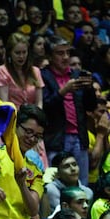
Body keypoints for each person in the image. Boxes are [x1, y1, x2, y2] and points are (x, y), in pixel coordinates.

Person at [41, 35, 97, 186]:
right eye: (60, 53)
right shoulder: (43, 76)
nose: (65, 57)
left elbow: (91, 107)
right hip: (57, 137)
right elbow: (44, 107)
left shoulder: (76, 75)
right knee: (56, 184)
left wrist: (90, 88)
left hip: (79, 136)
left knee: (82, 184)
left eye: (68, 53)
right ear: (49, 56)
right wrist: (63, 91)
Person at [0, 32, 45, 109]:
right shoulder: (1, 71)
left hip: (33, 117)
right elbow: (5, 104)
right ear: (10, 53)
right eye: (17, 53)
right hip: (13, 117)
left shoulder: (35, 71)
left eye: (24, 52)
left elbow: (39, 103)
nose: (21, 56)